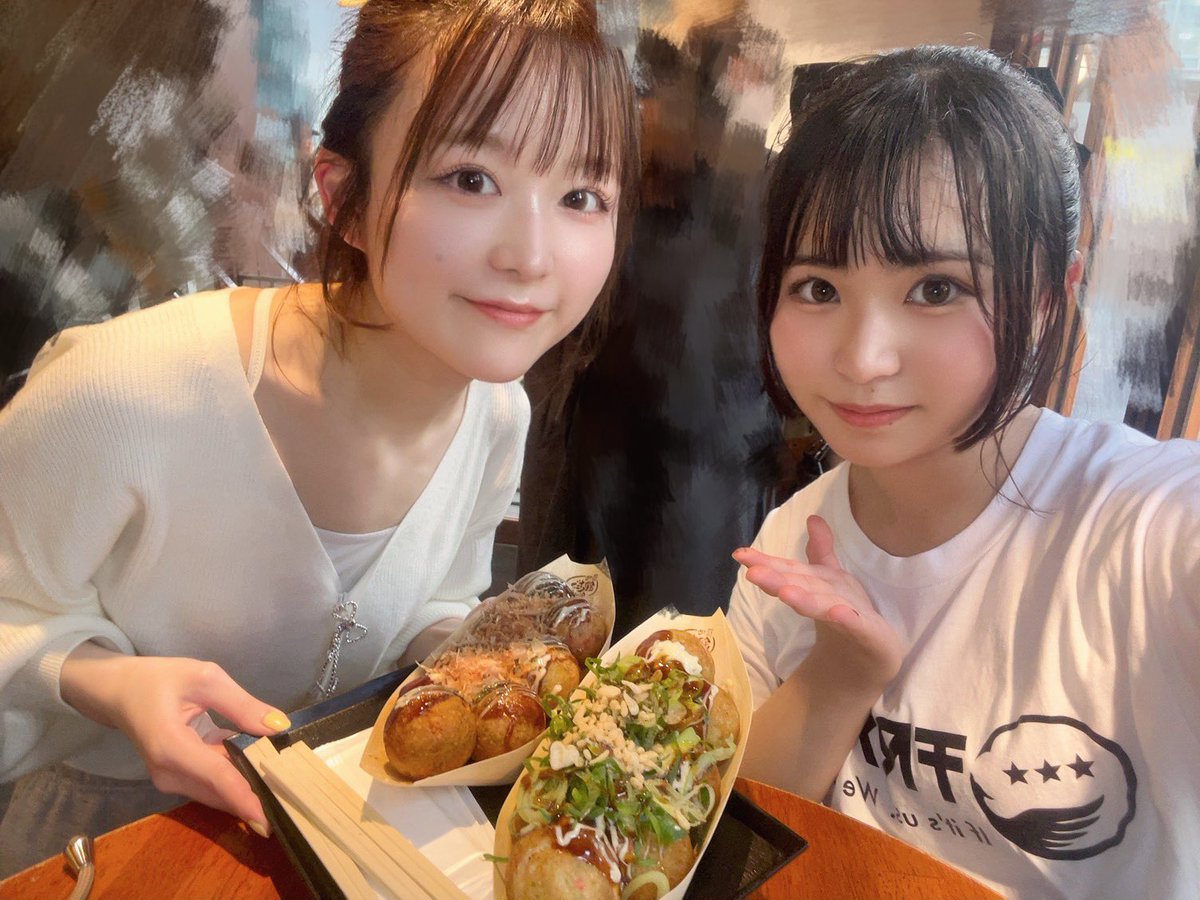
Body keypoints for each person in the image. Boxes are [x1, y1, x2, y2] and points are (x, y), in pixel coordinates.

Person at [0, 0, 639, 875]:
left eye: (581, 197)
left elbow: (434, 601)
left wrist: (488, 669)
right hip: (104, 843)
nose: (532, 255)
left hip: (340, 829)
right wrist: (108, 682)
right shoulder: (126, 390)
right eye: (470, 178)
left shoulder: (499, 416)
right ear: (344, 197)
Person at [729, 45, 1199, 898]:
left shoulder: (1141, 528)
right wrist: (840, 673)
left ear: (1050, 296)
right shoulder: (792, 541)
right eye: (819, 288)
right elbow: (740, 833)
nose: (864, 360)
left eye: (937, 288)